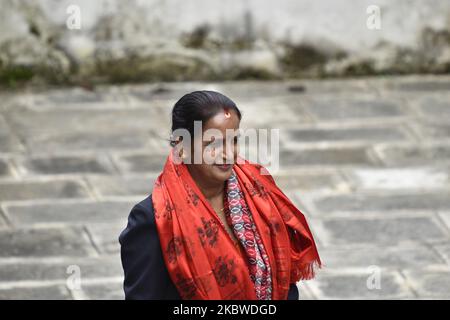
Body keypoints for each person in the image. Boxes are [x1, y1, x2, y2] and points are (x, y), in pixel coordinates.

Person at [119, 91, 321, 300]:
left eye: (233, 141)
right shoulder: (154, 219)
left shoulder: (260, 196)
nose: (227, 153)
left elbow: (285, 281)